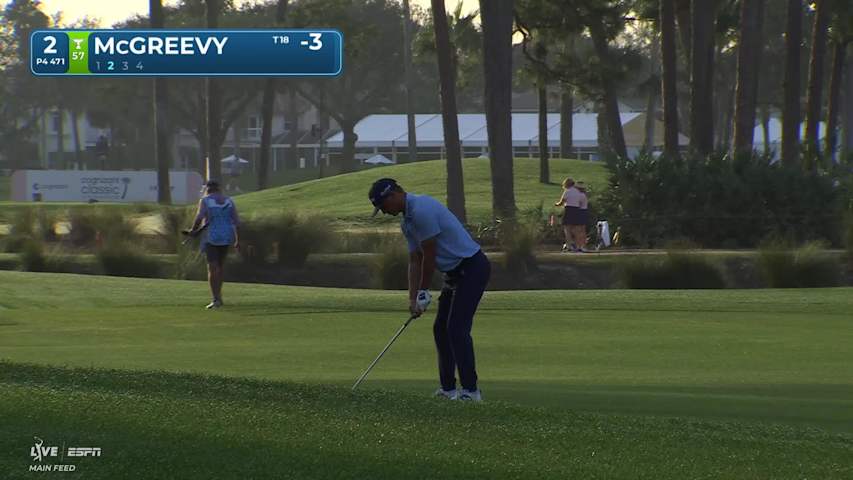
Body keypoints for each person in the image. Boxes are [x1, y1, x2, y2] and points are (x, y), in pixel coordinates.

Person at [369, 178, 490, 402]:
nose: (384, 212)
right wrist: (413, 298)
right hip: (454, 274)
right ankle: (448, 390)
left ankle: (471, 391)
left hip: (472, 267)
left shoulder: (422, 209)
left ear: (394, 195)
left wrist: (424, 291)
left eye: (383, 206)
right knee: (440, 329)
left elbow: (430, 255)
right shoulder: (407, 222)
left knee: (456, 329)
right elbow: (415, 260)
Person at [189, 180, 240, 309]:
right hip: (226, 237)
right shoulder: (229, 201)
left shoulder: (205, 201)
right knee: (220, 268)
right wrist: (237, 240)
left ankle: (215, 298)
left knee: (212, 268)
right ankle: (219, 297)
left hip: (211, 237)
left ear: (208, 189)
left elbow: (199, 217)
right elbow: (236, 222)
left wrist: (193, 231)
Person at [554, 177, 583, 252]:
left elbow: (561, 202)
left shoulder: (567, 191)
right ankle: (578, 245)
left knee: (567, 228)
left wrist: (556, 204)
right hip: (576, 210)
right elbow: (580, 202)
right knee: (575, 229)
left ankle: (569, 245)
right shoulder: (577, 192)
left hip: (569, 210)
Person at [574, 181, 590, 252]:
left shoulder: (580, 195)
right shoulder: (584, 195)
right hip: (583, 212)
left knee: (579, 230)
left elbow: (577, 204)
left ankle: (580, 245)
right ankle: (581, 245)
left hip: (580, 212)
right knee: (581, 230)